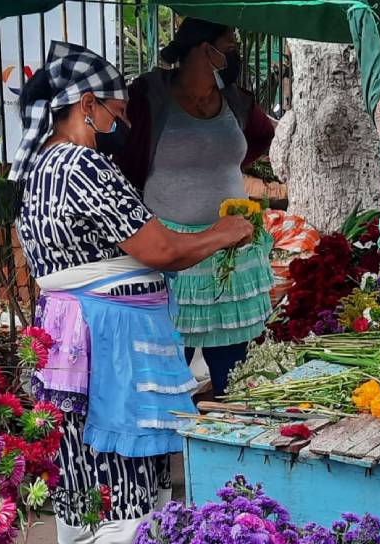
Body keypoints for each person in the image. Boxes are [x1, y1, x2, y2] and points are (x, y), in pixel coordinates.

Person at [11, 41, 254, 544]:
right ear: (87, 105)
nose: (121, 122)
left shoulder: (37, 167)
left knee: (79, 463)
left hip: (66, 339)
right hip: (110, 341)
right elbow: (161, 249)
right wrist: (226, 232)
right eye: (116, 111)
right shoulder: (84, 166)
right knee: (126, 467)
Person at [114, 18, 276, 397]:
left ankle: (228, 429)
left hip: (232, 252)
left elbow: (260, 137)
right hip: (171, 250)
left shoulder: (235, 99)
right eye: (230, 45)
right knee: (165, 371)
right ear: (206, 49)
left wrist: (216, 172)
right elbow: (124, 157)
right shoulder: (150, 96)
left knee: (233, 373)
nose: (236, 53)